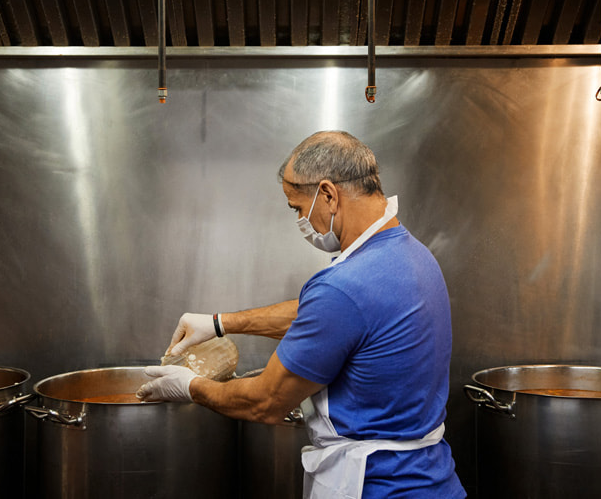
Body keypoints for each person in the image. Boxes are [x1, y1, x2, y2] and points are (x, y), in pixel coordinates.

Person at [137, 130, 465, 499]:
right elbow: (334, 318)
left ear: (328, 195)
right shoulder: (410, 255)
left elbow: (265, 402)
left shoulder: (343, 287)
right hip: (433, 479)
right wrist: (219, 323)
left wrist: (189, 387)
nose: (299, 219)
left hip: (377, 486)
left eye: (297, 207)